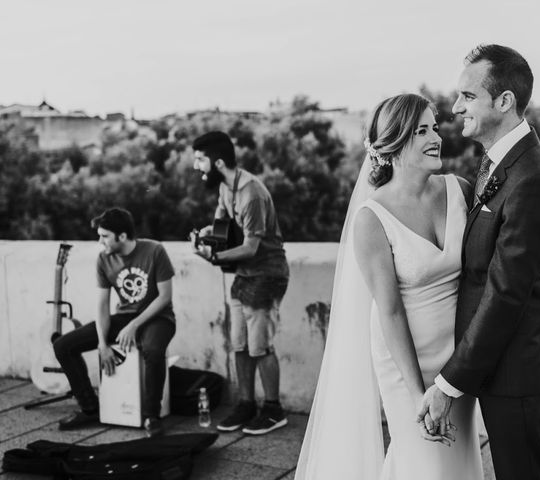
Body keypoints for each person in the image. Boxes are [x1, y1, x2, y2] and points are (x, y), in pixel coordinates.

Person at [295, 94, 483, 479]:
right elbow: (390, 310)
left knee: (458, 459)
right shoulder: (372, 219)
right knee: (424, 459)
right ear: (394, 143)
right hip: (406, 362)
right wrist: (418, 394)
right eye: (421, 131)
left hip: (458, 357)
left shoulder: (459, 189)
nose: (436, 138)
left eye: (434, 128)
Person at [418, 44, 540, 480]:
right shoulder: (503, 163)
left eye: (467, 97)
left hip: (518, 370)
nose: (455, 107)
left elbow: (505, 293)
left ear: (504, 101)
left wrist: (448, 384)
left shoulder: (534, 180)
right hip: (500, 364)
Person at [192, 131, 289, 436]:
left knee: (260, 347)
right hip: (244, 276)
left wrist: (214, 256)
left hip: (267, 274)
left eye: (200, 160)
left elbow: (250, 247)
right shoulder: (225, 187)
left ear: (218, 161)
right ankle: (246, 404)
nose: (196, 166)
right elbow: (221, 225)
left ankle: (273, 409)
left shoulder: (251, 193)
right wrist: (206, 238)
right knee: (239, 344)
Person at [54, 207, 176, 437]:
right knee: (63, 346)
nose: (100, 241)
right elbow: (101, 304)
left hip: (158, 318)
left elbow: (165, 297)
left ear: (122, 236)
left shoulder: (155, 251)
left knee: (153, 349)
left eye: (104, 236)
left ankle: (152, 416)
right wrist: (102, 343)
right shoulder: (103, 259)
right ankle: (89, 408)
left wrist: (135, 324)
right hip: (124, 318)